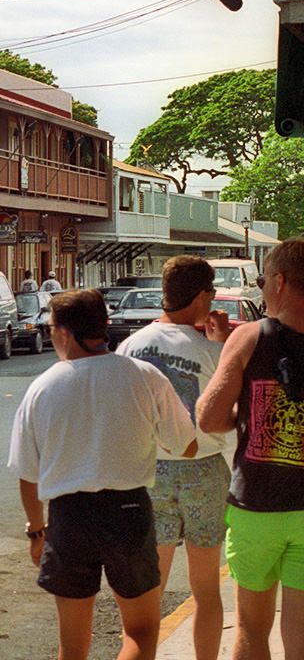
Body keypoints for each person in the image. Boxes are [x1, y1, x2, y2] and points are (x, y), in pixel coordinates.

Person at [8, 288, 198, 660]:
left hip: (68, 517)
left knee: (73, 646)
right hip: (129, 511)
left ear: (63, 333)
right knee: (141, 634)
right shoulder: (143, 376)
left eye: (50, 329)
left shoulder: (42, 388)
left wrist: (36, 531)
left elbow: (27, 475)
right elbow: (186, 445)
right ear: (104, 326)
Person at [116, 255, 232, 660]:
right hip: (203, 470)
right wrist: (218, 346)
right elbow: (227, 413)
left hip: (150, 472)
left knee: (150, 592)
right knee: (206, 592)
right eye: (212, 291)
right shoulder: (210, 349)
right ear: (201, 296)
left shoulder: (130, 345)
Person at [198, 235, 304, 660]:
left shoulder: (250, 339)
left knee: (251, 630)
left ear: (278, 282)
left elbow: (208, 419)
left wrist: (247, 417)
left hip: (258, 507)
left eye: (260, 282)